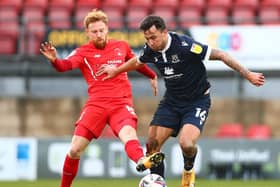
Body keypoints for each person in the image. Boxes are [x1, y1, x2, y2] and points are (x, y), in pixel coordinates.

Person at [96, 15, 265, 187]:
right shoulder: (151, 49)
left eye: (153, 37)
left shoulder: (185, 46)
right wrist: (116, 70)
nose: (150, 42)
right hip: (172, 101)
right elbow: (138, 61)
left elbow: (221, 54)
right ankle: (158, 183)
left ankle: (188, 170)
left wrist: (248, 74)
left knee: (186, 144)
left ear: (164, 32)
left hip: (197, 101)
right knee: (152, 145)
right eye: (147, 39)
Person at [40, 10, 164, 187]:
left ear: (107, 29)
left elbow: (135, 63)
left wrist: (151, 75)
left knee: (129, 134)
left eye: (101, 30)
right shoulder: (82, 52)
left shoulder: (121, 45)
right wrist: (54, 60)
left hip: (121, 103)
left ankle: (142, 160)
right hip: (96, 105)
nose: (99, 34)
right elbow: (65, 66)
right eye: (94, 31)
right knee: (74, 150)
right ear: (87, 33)